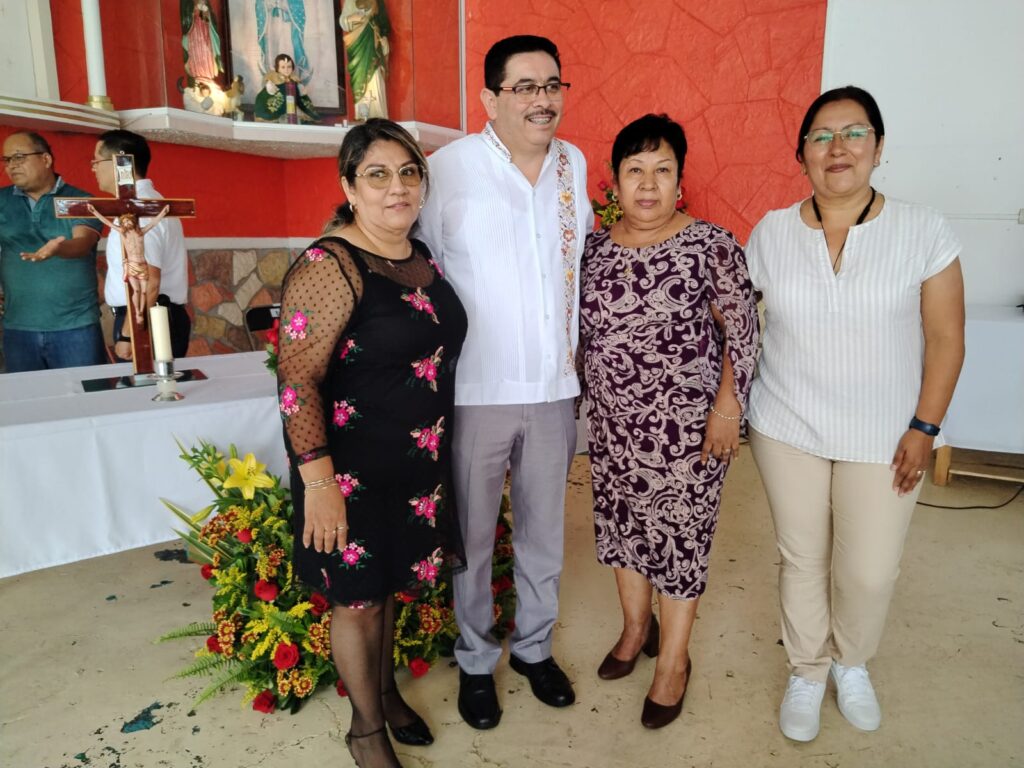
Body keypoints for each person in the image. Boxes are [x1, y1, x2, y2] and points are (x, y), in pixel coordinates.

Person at [745, 85, 965, 742]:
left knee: (868, 570)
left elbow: (946, 338)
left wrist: (925, 427)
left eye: (853, 132)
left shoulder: (923, 230)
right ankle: (808, 670)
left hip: (888, 432)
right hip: (787, 425)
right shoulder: (771, 233)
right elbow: (738, 324)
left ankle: (852, 661)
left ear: (878, 146)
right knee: (802, 557)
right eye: (820, 136)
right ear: (802, 154)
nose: (837, 147)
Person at [276, 119, 466, 768]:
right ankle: (364, 730)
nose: (397, 188)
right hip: (347, 471)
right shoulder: (330, 265)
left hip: (411, 468)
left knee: (384, 588)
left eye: (409, 173)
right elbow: (297, 382)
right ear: (349, 187)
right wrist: (319, 484)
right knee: (357, 601)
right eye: (377, 175)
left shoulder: (418, 257)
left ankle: (384, 694)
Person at [417, 35, 590, 730]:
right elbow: (419, 266)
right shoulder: (447, 169)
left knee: (545, 532)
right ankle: (475, 659)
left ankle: (534, 649)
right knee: (474, 536)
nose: (542, 100)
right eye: (524, 87)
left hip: (553, 389)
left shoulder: (573, 164)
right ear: (490, 99)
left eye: (552, 85)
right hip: (476, 392)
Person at [579, 113, 759, 729]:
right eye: (635, 170)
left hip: (686, 431)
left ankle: (674, 663)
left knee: (681, 540)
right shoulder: (594, 249)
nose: (648, 184)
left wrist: (728, 408)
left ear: (680, 180)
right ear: (615, 180)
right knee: (624, 528)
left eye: (663, 170)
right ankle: (636, 630)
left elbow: (743, 331)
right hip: (612, 428)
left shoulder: (711, 244)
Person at [0, 131, 105, 372]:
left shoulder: (79, 199)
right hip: (19, 327)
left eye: (19, 157)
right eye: (7, 160)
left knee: (83, 394)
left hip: (75, 326)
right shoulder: (2, 201)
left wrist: (58, 248)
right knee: (29, 396)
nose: (11, 166)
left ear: (45, 159)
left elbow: (83, 242)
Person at [90, 130, 192, 361]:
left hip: (147, 319)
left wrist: (129, 335)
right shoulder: (139, 206)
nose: (93, 168)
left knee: (148, 382)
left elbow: (149, 281)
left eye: (96, 161)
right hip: (145, 315)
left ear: (120, 162)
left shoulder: (142, 211)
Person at [340, 0, 391, 120]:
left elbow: (383, 24)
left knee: (375, 75)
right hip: (358, 45)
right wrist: (352, 18)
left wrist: (384, 38)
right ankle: (362, 115)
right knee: (359, 77)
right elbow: (343, 21)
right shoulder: (350, 1)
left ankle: (378, 115)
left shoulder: (377, 1)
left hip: (373, 45)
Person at [254, 53, 320, 123]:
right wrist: (270, 88)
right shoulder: (273, 79)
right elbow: (266, 95)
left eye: (289, 67)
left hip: (291, 106)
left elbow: (299, 97)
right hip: (277, 108)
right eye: (283, 67)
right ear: (277, 68)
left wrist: (301, 92)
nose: (286, 70)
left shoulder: (294, 79)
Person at [181, 0, 224, 84]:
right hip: (194, 33)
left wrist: (207, 14)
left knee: (206, 51)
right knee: (196, 51)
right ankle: (197, 74)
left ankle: (208, 73)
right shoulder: (187, 2)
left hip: (205, 32)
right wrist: (193, 12)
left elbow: (211, 17)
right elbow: (185, 15)